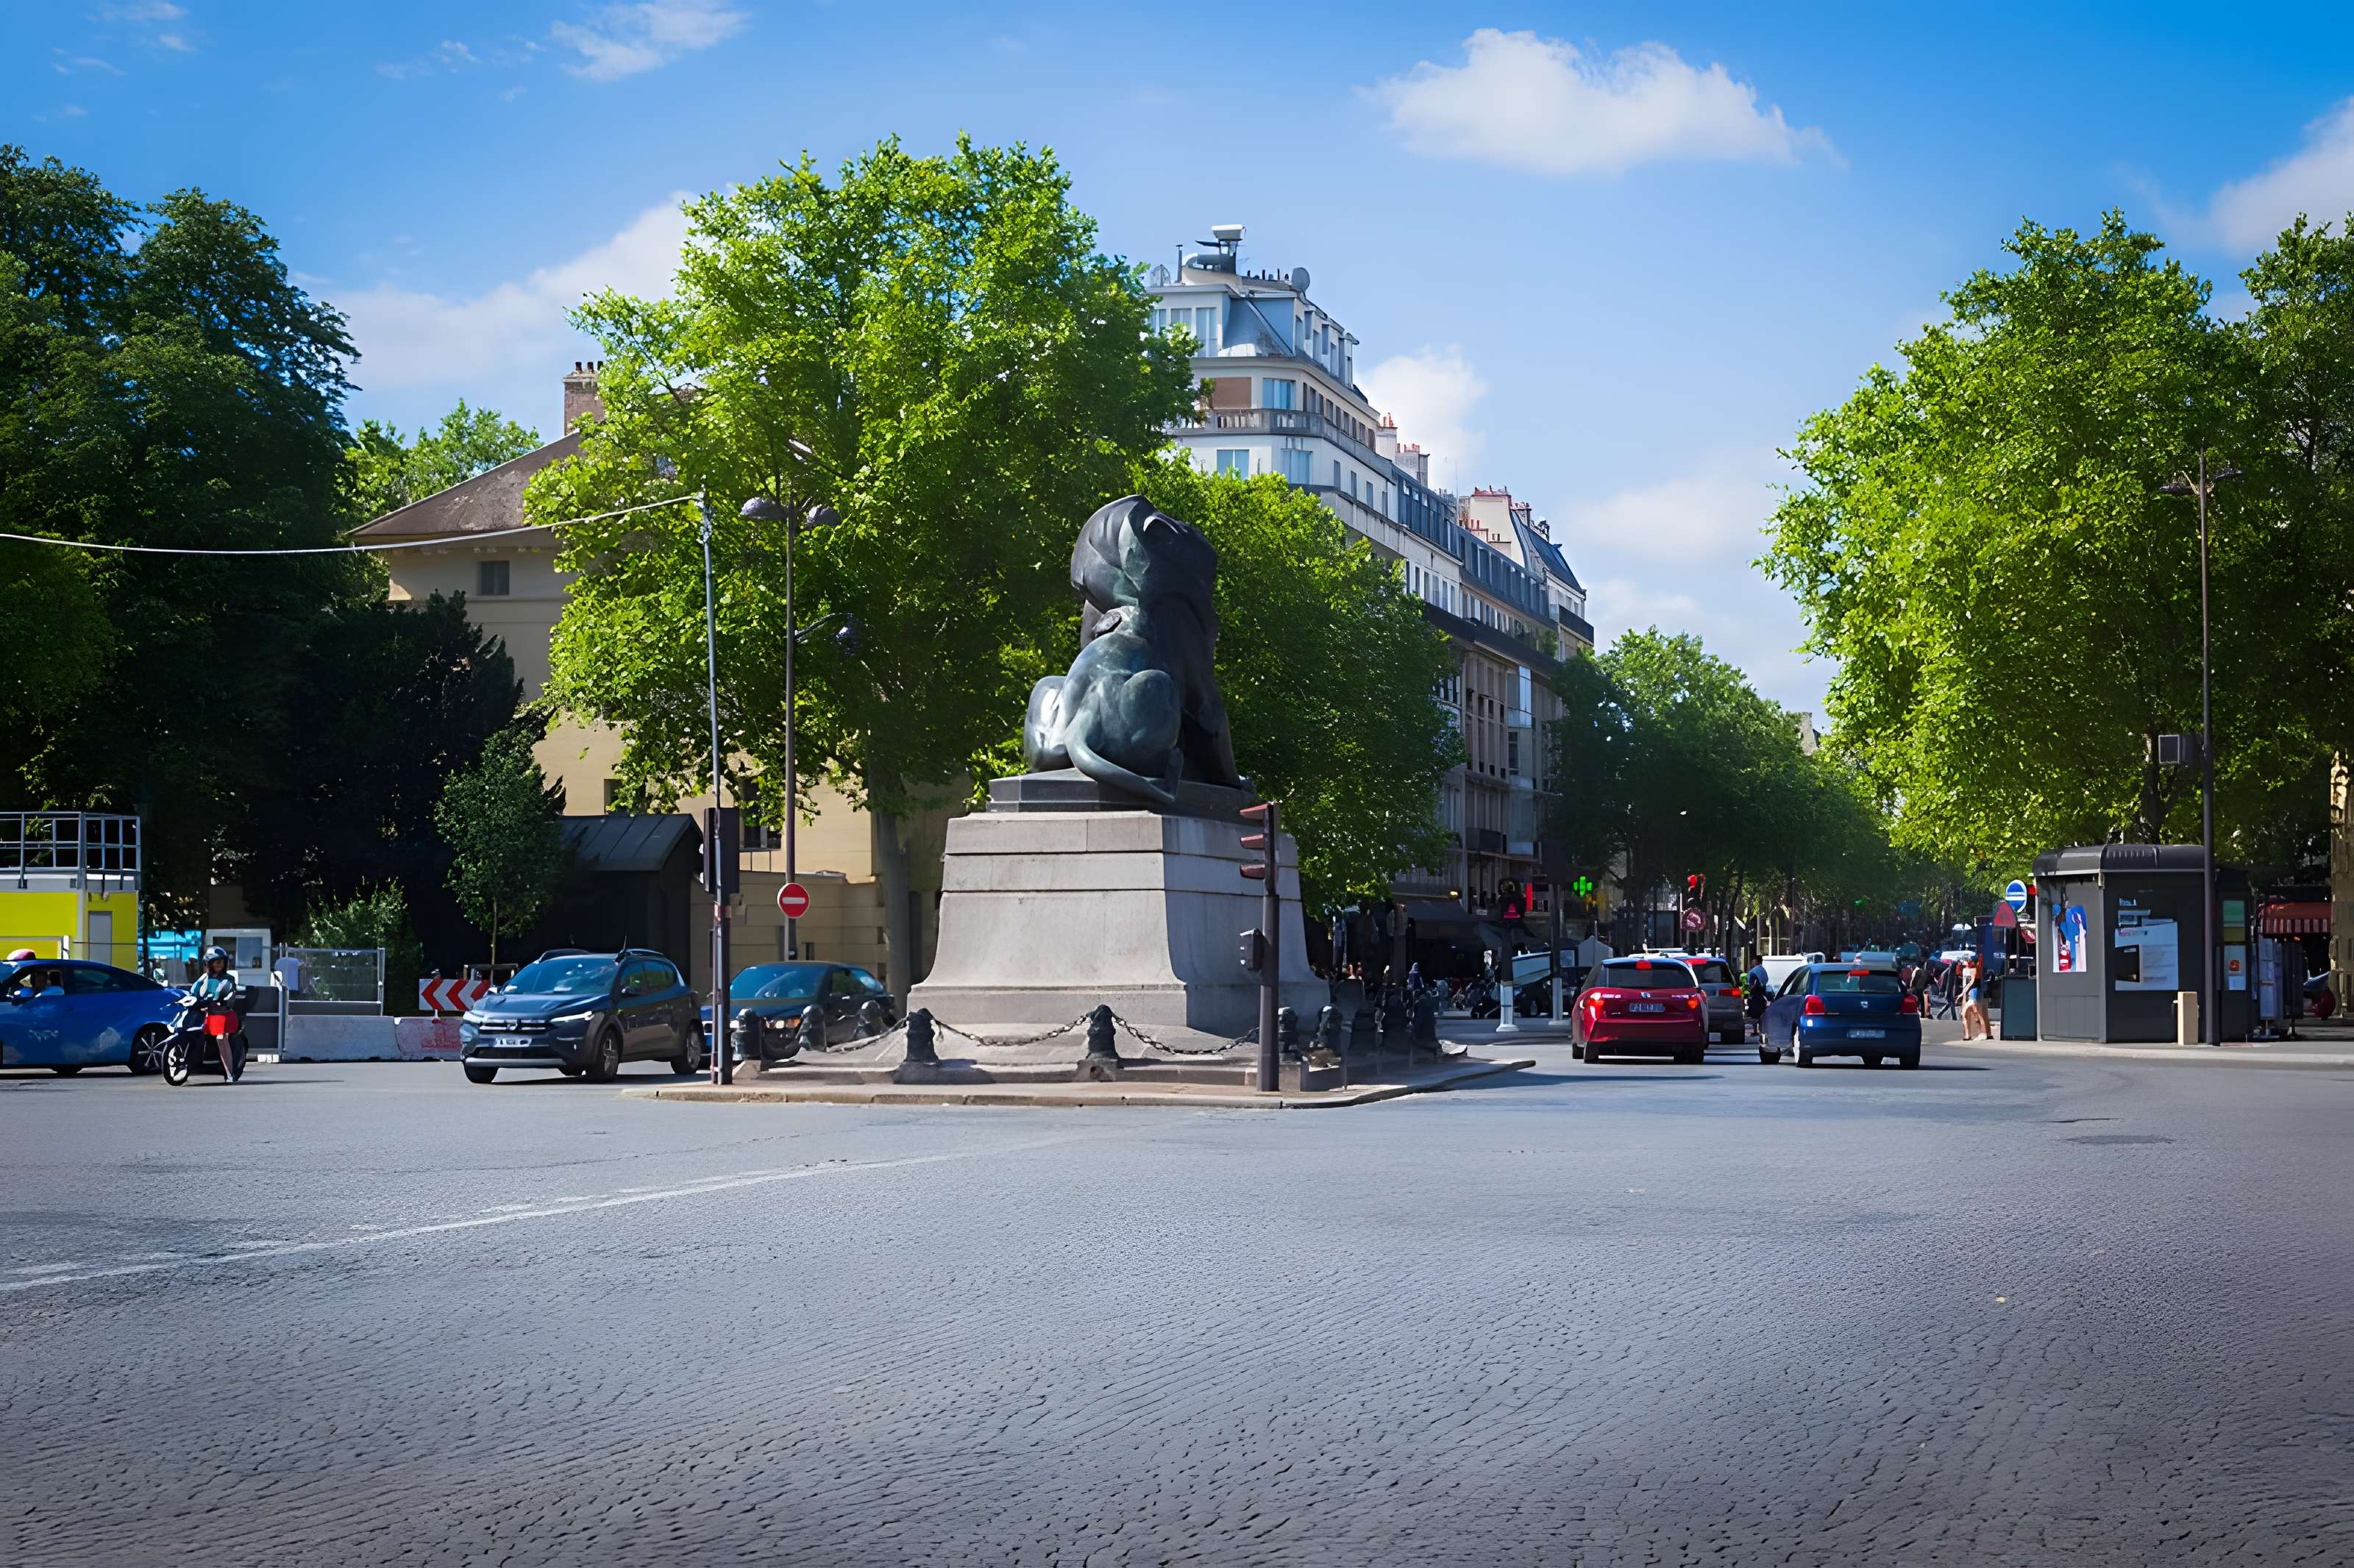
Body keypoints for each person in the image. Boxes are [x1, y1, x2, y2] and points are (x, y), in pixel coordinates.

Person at [188, 945, 244, 1083]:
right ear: (209, 964)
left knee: (220, 1038)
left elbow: (230, 994)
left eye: (221, 961)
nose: (219, 964)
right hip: (206, 1015)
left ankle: (229, 1073)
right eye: (216, 961)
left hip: (223, 1015)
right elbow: (193, 992)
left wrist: (223, 1000)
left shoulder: (228, 979)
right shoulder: (203, 979)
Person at [1959, 954, 1990, 1041]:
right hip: (1974, 994)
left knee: (1977, 1014)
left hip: (1974, 994)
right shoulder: (1974, 970)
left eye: (1970, 961)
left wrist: (1962, 994)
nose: (1968, 963)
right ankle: (1973, 1034)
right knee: (1974, 1014)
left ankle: (1981, 1033)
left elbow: (1971, 983)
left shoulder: (1975, 970)